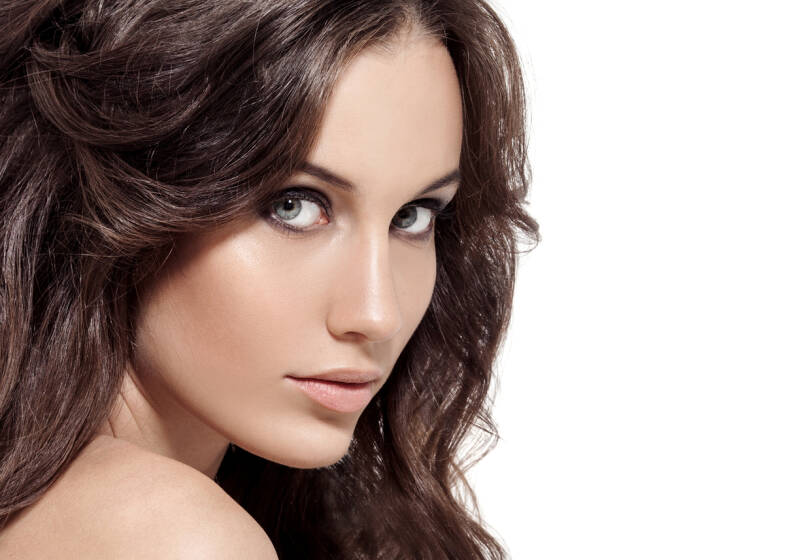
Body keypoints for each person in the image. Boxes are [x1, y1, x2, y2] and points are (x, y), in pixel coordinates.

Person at [0, 0, 539, 557]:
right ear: (119, 200)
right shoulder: (177, 539)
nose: (378, 314)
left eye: (412, 217)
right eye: (294, 206)